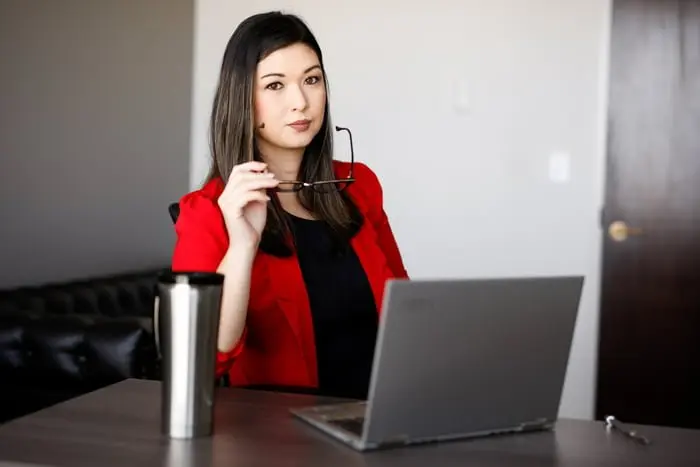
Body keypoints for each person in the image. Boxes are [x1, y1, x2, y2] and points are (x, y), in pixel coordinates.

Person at [171, 11, 408, 400]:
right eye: (275, 85)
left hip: (376, 418)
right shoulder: (207, 211)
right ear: (242, 99)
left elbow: (405, 312)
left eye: (311, 80)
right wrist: (242, 245)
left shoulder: (358, 185)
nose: (300, 102)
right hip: (278, 440)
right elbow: (204, 358)